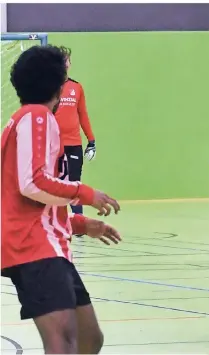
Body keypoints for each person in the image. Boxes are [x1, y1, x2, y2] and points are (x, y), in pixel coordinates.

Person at [1, 45, 122, 354]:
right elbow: (33, 183)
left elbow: (29, 202)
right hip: (33, 248)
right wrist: (86, 193)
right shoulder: (36, 117)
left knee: (89, 338)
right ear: (59, 84)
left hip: (49, 244)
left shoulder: (28, 121)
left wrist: (78, 223)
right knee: (63, 342)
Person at [54, 46, 96, 216]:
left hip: (74, 144)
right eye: (62, 59)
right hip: (54, 145)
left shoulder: (76, 87)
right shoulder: (48, 87)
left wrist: (91, 141)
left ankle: (79, 220)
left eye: (67, 60)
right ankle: (54, 220)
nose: (66, 62)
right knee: (54, 184)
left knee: (74, 182)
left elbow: (83, 115)